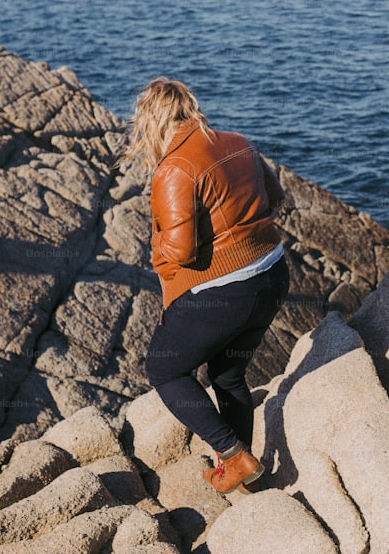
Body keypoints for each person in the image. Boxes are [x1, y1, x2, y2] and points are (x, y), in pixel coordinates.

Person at [119, 77, 289, 494]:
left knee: (165, 368)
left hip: (227, 291)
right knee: (228, 374)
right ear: (190, 109)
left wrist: (155, 239)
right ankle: (245, 473)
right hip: (271, 272)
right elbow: (277, 197)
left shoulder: (174, 167)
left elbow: (178, 252)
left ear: (150, 120)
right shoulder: (239, 141)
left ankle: (233, 454)